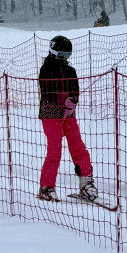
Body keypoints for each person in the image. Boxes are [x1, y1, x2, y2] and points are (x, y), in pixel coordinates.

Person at [36, 35, 99, 204]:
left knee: (78, 146)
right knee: (55, 149)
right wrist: (62, 100)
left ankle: (86, 183)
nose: (63, 59)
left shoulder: (70, 70)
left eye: (67, 56)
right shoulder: (46, 69)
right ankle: (46, 187)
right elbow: (47, 90)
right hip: (51, 114)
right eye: (61, 55)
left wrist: (72, 102)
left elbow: (75, 89)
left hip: (68, 115)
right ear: (52, 52)